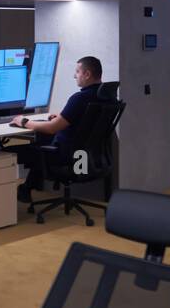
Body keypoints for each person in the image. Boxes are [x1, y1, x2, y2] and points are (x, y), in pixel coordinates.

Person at [9, 55, 103, 201]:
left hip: (65, 155)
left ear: (87, 74)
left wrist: (24, 121)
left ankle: (14, 192)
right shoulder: (105, 97)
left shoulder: (79, 98)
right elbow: (81, 121)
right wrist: (60, 118)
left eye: (77, 71)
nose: (74, 75)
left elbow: (52, 128)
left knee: (11, 152)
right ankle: (26, 189)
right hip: (86, 157)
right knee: (42, 143)